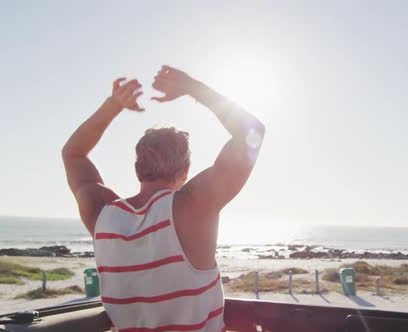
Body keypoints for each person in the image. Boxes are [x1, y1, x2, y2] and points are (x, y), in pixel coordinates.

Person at [62, 65, 265, 332]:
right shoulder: (192, 206)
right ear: (185, 171)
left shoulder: (101, 213)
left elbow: (73, 154)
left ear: (137, 168)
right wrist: (191, 87)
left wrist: (114, 104)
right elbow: (251, 133)